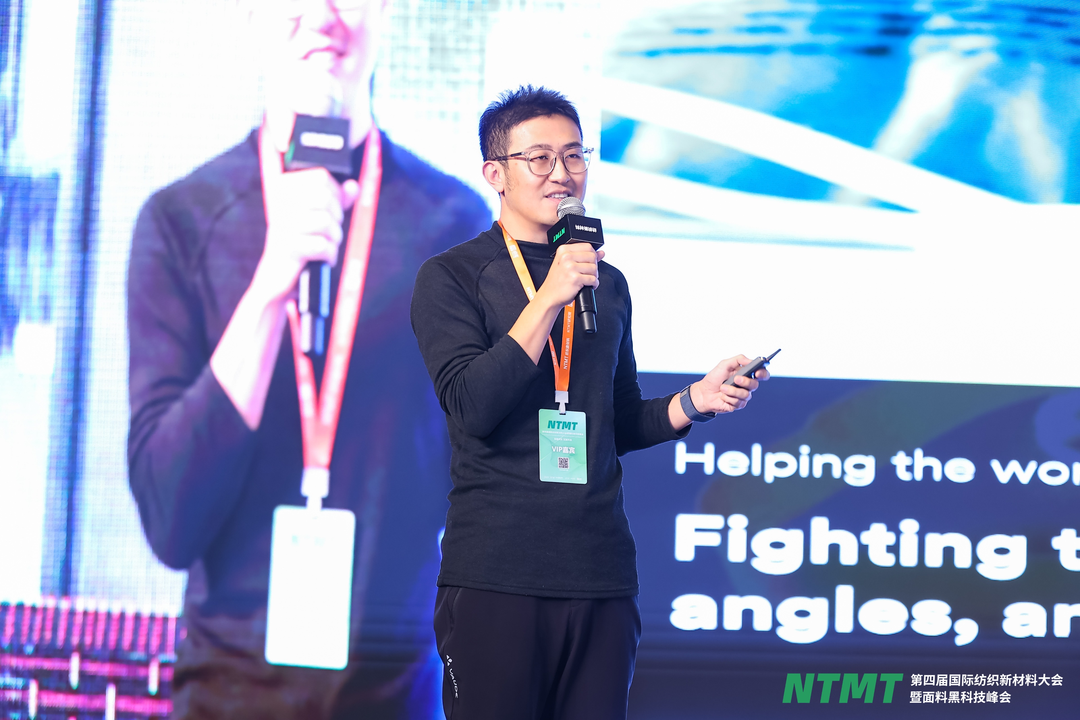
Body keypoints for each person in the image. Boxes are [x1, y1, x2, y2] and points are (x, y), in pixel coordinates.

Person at [125, 2, 490, 718]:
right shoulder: (181, 221)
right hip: (226, 695)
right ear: (251, 15)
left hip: (395, 695)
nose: (322, 15)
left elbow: (487, 487)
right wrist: (271, 285)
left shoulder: (456, 228)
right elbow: (170, 522)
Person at [410, 86, 768, 720]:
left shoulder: (608, 282)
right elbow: (472, 406)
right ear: (495, 174)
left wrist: (696, 400)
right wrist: (548, 297)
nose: (562, 173)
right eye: (539, 158)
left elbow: (616, 420)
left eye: (574, 155)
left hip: (600, 572)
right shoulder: (453, 276)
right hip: (498, 571)